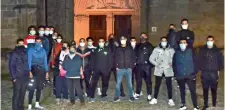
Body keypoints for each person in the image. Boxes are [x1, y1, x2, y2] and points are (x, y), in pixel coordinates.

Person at [173, 39, 200, 110]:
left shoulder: (191, 52)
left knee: (192, 91)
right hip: (180, 75)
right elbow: (174, 64)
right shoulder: (176, 53)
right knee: (182, 90)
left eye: (184, 42)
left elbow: (196, 62)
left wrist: (194, 72)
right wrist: (176, 73)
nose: (182, 44)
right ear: (179, 44)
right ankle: (183, 104)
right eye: (181, 42)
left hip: (190, 75)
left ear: (187, 44)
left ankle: (195, 106)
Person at [198, 35, 224, 109]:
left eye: (211, 40)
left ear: (213, 41)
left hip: (214, 73)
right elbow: (199, 60)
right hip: (205, 73)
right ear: (206, 41)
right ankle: (205, 104)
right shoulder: (202, 50)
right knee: (205, 90)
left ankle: (214, 103)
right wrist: (201, 68)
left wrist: (218, 69)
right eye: (208, 40)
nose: (210, 42)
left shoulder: (217, 51)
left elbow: (221, 61)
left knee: (214, 90)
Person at [149, 37, 175, 106]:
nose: (164, 42)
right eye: (162, 41)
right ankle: (155, 98)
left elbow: (174, 58)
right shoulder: (156, 49)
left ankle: (170, 99)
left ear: (167, 42)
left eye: (165, 41)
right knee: (157, 85)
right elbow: (151, 59)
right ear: (160, 42)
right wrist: (157, 64)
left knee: (169, 85)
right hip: (159, 70)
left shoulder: (171, 50)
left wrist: (171, 63)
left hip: (168, 69)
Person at [27, 37, 49, 110]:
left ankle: (37, 104)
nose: (38, 43)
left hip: (42, 71)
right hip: (34, 70)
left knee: (39, 87)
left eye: (40, 42)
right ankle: (29, 105)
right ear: (34, 42)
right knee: (32, 88)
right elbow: (29, 60)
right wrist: (29, 71)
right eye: (37, 41)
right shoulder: (31, 50)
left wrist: (46, 71)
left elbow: (45, 61)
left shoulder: (43, 50)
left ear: (41, 43)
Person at [89, 37, 112, 103]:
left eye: (102, 41)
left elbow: (110, 60)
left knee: (105, 83)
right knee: (93, 83)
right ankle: (92, 96)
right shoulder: (95, 50)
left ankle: (103, 95)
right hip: (96, 70)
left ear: (104, 42)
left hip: (105, 70)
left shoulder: (108, 49)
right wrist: (92, 69)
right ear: (98, 42)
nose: (101, 42)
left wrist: (109, 69)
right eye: (100, 41)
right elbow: (92, 60)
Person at [9, 39, 29, 110]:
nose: (21, 45)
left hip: (25, 76)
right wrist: (13, 77)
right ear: (17, 44)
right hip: (17, 76)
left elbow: (28, 64)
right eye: (20, 43)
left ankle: (21, 108)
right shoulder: (14, 53)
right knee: (16, 94)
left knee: (22, 94)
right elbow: (11, 65)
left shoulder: (26, 52)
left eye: (22, 43)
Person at [114, 36, 136, 102]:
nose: (122, 40)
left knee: (129, 83)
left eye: (124, 39)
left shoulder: (129, 48)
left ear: (126, 40)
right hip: (120, 68)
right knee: (118, 83)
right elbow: (115, 58)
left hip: (128, 68)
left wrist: (131, 67)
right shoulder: (118, 48)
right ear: (120, 40)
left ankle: (131, 96)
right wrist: (116, 66)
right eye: (121, 39)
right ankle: (117, 96)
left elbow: (133, 57)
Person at [134, 32, 154, 101]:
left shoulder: (150, 46)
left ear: (146, 37)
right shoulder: (137, 45)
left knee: (148, 81)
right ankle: (138, 93)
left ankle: (149, 94)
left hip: (147, 67)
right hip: (139, 66)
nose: (142, 37)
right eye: (141, 36)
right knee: (138, 80)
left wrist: (151, 65)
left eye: (144, 36)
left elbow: (153, 56)